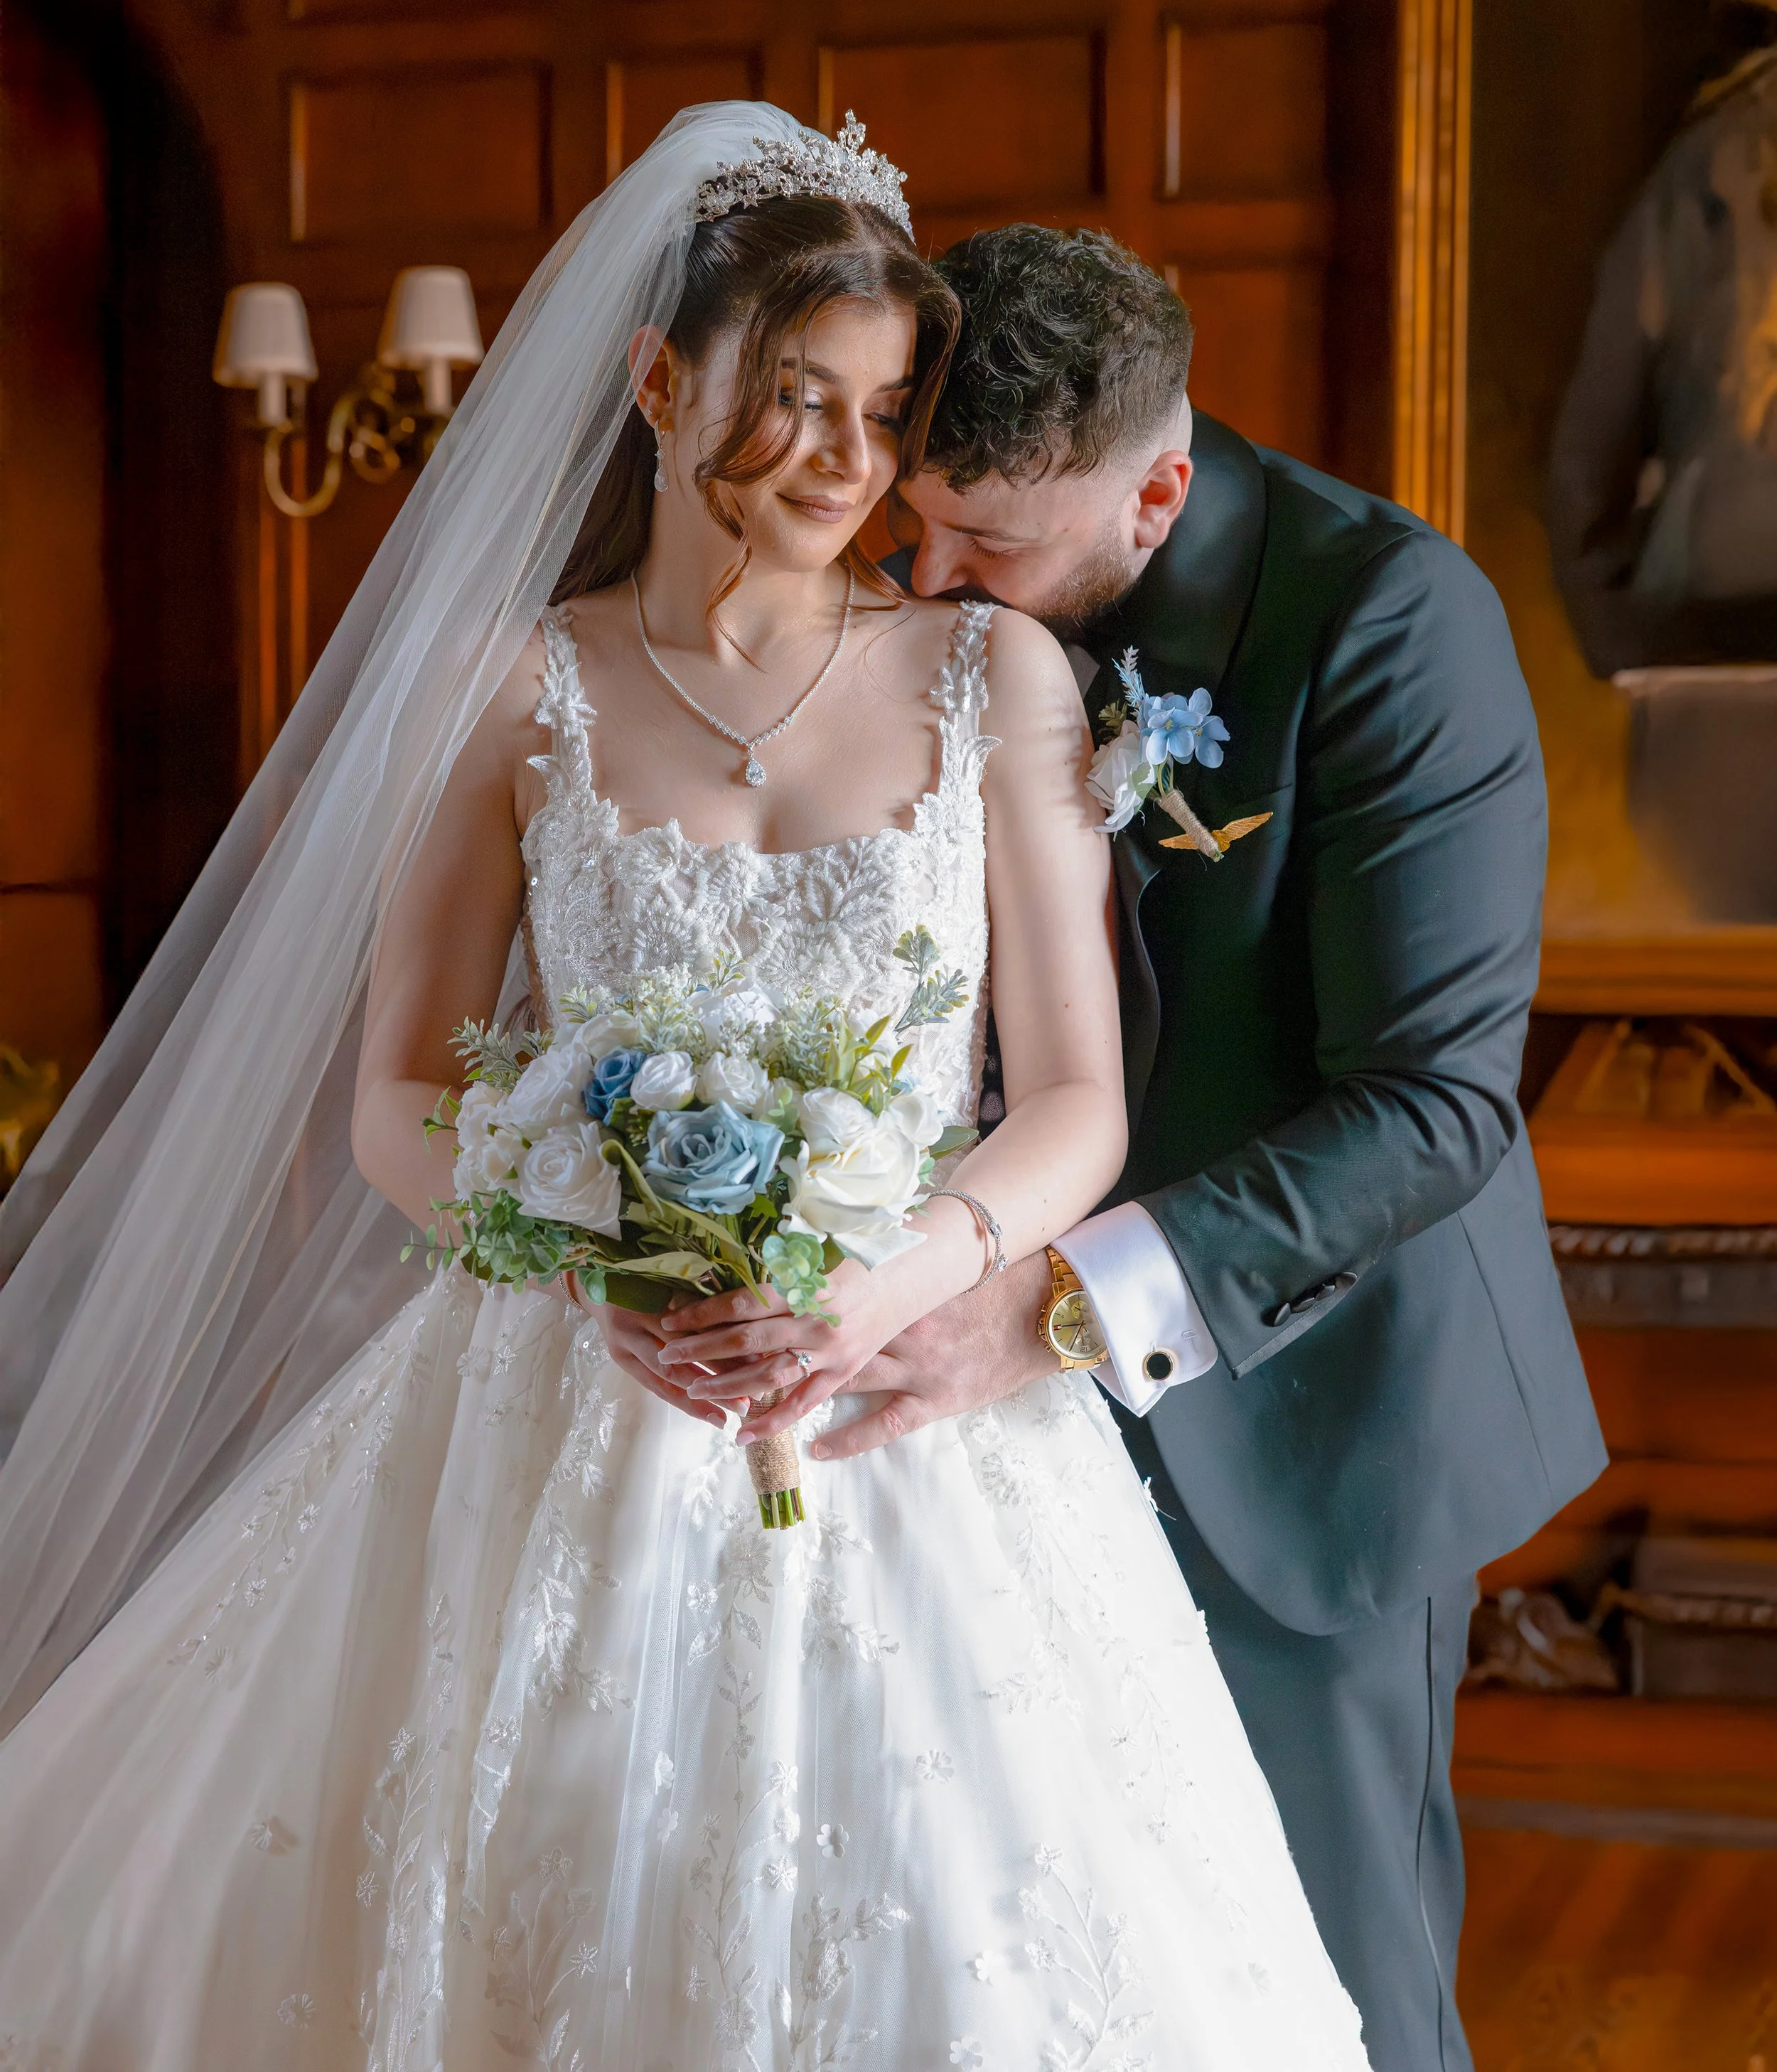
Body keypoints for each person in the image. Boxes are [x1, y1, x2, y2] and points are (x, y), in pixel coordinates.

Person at [0, 110, 1369, 2067]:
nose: (842, 463)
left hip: (892, 1389)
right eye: (794, 400)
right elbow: (399, 1083)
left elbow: (1074, 1101)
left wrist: (882, 1285)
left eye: (883, 418)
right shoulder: (508, 686)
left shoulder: (993, 678)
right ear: (658, 379)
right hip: (553, 1377)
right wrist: (579, 1254)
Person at [727, 224, 1609, 2072]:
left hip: (1300, 1405)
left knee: (1318, 1982)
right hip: (961, 1431)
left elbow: (1431, 1103)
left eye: (991, 545)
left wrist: (1051, 1306)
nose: (930, 573)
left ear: (1158, 485)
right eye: (921, 514)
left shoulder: (1382, 618)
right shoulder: (922, 622)